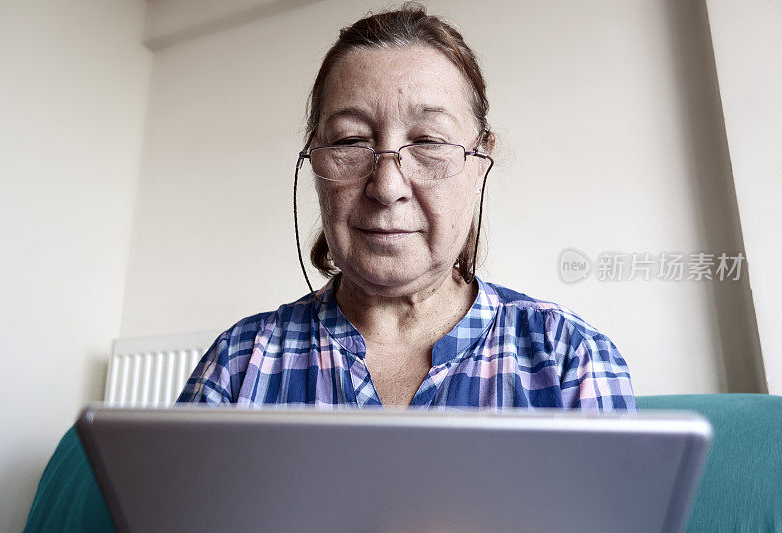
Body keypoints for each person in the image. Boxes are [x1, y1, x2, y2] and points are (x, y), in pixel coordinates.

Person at [178, 4, 636, 410]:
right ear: (315, 160)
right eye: (351, 141)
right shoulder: (240, 363)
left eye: (429, 141)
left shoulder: (568, 357)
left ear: (481, 162)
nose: (387, 186)